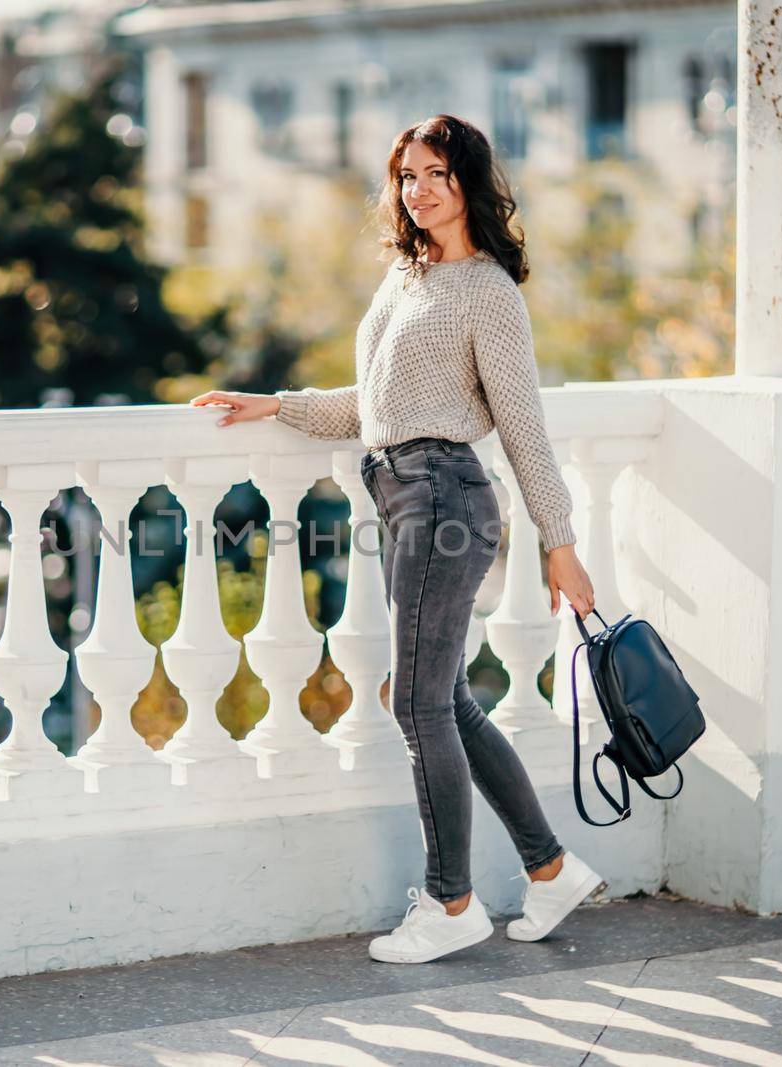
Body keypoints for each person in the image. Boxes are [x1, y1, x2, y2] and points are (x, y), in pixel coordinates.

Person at [190, 114, 605, 964]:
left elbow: (523, 424)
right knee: (441, 697)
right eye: (407, 175)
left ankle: (451, 903)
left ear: (470, 185)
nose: (418, 190)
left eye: (436, 174)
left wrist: (557, 538)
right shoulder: (407, 279)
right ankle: (551, 867)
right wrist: (276, 404)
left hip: (446, 498)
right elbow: (377, 408)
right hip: (405, 493)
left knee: (417, 700)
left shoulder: (488, 290)